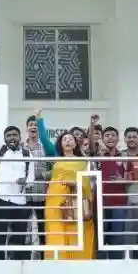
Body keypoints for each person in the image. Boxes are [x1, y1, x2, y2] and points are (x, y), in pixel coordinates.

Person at [38, 111, 95, 260]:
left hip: (76, 200)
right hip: (55, 200)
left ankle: (79, 262)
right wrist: (38, 119)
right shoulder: (56, 158)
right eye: (65, 139)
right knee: (56, 230)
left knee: (77, 231)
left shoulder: (83, 161)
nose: (68, 141)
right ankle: (56, 261)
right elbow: (44, 139)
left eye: (71, 139)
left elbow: (87, 182)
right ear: (60, 143)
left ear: (76, 144)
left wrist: (75, 184)